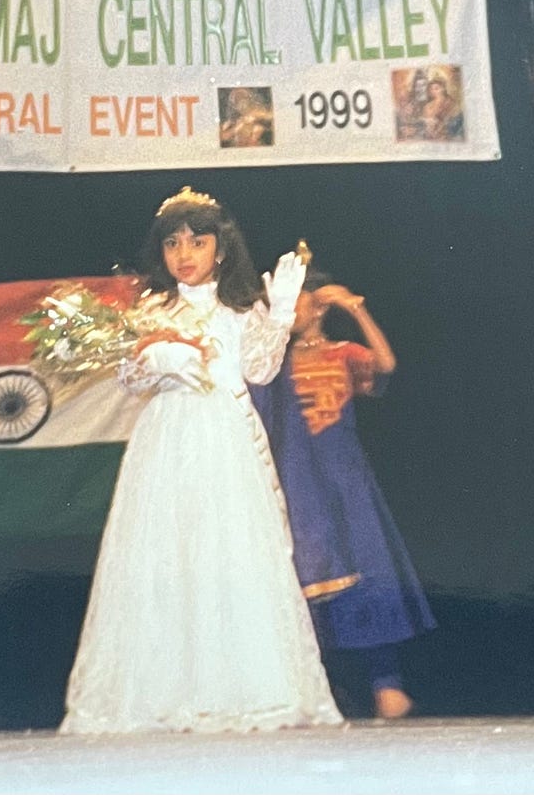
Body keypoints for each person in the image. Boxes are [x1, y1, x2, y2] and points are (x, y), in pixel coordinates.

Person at [60, 187, 342, 733]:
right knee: (164, 554)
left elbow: (259, 371)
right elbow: (128, 378)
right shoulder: (152, 308)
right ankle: (163, 689)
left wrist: (280, 314)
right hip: (165, 439)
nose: (184, 253)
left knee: (230, 554)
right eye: (172, 243)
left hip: (225, 439)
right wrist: (155, 358)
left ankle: (243, 689)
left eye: (197, 240)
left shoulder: (239, 307)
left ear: (220, 246)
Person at [251, 260, 436, 719]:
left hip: (343, 478)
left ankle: (386, 684)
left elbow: (387, 366)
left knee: (365, 569)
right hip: (296, 478)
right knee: (307, 579)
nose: (289, 309)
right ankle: (315, 688)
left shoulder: (343, 354)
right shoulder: (273, 363)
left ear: (316, 308)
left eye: (297, 300)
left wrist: (355, 309)